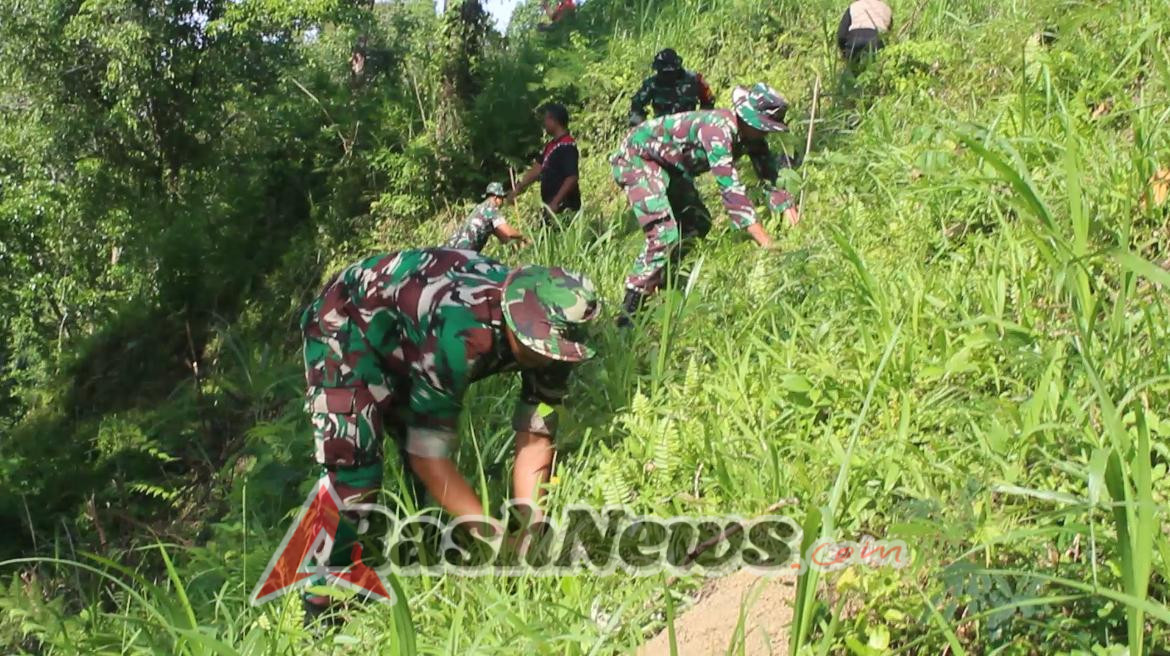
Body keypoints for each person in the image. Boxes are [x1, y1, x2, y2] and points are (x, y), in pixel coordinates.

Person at [299, 248, 600, 620]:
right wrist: (494, 538)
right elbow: (430, 458)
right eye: (537, 349)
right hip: (345, 328)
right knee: (356, 479)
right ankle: (320, 606)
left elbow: (535, 437)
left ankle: (423, 549)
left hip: (410, 336)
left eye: (552, 352)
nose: (546, 360)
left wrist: (529, 530)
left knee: (425, 468)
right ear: (513, 321)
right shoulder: (459, 333)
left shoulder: (554, 335)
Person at [609, 82, 801, 327]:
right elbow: (731, 192)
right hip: (638, 159)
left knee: (696, 223)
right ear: (749, 120)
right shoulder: (717, 131)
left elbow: (771, 178)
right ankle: (630, 314)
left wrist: (792, 217)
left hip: (671, 166)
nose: (766, 133)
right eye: (763, 127)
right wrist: (768, 244)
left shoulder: (752, 137)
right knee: (664, 234)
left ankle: (665, 287)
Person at [509, 103, 581, 221]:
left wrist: (556, 202)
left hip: (564, 207)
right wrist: (519, 188)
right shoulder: (551, 146)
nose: (544, 123)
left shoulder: (567, 145)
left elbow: (572, 177)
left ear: (554, 120)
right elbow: (536, 169)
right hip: (550, 206)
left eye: (546, 119)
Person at [628, 48, 716, 126]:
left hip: (688, 131)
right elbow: (636, 106)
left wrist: (701, 122)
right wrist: (642, 127)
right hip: (663, 132)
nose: (666, 76)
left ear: (677, 68)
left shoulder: (694, 80)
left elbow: (708, 101)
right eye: (662, 72)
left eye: (669, 72)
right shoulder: (651, 84)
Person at [445, 182, 528, 252]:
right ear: (496, 198)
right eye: (502, 198)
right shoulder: (491, 210)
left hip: (450, 248)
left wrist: (517, 244)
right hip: (464, 251)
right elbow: (507, 231)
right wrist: (523, 237)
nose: (502, 202)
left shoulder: (479, 208)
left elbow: (503, 237)